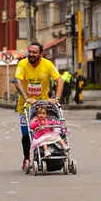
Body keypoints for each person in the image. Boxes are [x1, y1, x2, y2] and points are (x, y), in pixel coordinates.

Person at [14, 41, 64, 170]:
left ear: (40, 54)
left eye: (34, 52)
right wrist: (26, 98)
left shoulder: (47, 65)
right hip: (25, 106)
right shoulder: (22, 64)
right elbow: (18, 81)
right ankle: (26, 157)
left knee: (45, 131)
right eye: (29, 52)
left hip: (43, 106)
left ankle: (44, 155)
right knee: (27, 134)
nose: (31, 54)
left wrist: (56, 98)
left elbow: (59, 80)